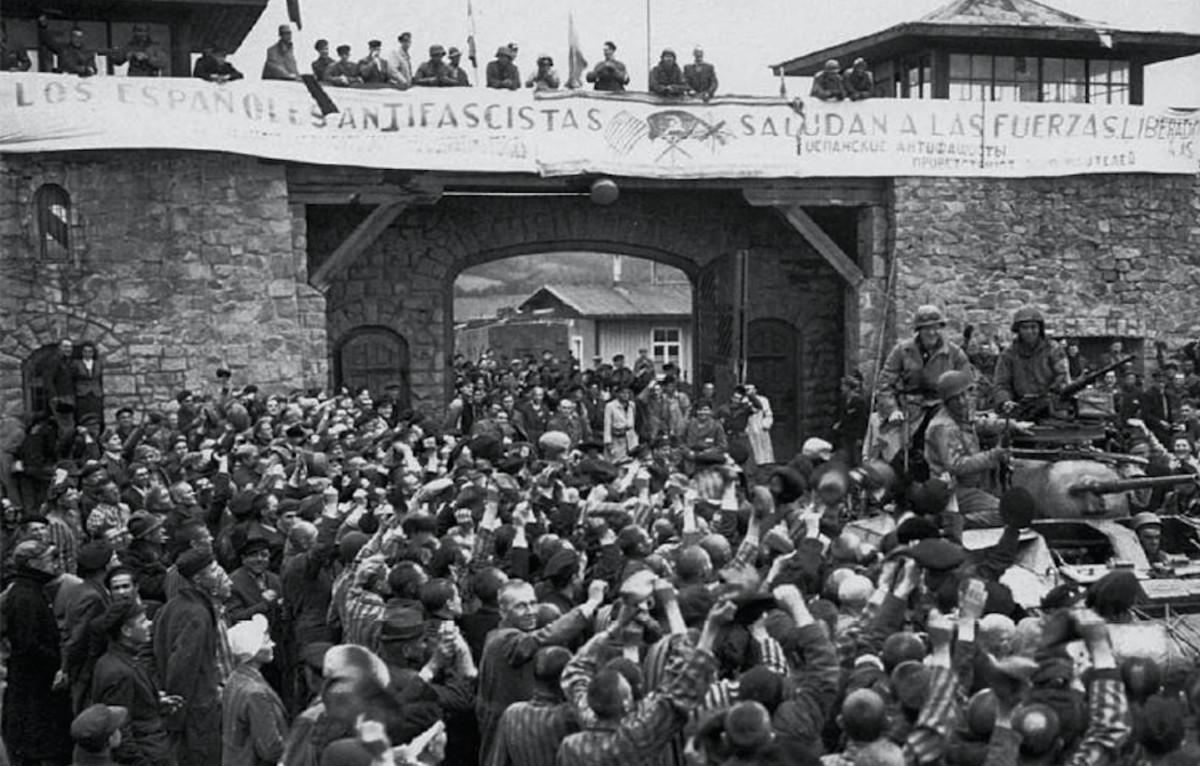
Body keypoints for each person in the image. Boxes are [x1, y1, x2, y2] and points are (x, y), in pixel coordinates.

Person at [476, 579, 605, 763]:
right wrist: (591, 603)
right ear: (503, 611)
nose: (530, 611)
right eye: (521, 606)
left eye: (533, 603)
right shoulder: (505, 640)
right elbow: (543, 637)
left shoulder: (498, 636)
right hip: (506, 734)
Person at [153, 550, 230, 766]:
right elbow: (182, 667)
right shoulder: (197, 614)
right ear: (198, 579)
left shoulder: (170, 607)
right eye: (213, 571)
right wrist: (175, 715)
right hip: (196, 710)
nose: (219, 574)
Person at [2, 540, 73, 766]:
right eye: (50, 559)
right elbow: (28, 643)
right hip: (35, 681)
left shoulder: (30, 590)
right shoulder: (26, 596)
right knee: (35, 741)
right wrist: (56, 661)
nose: (56, 564)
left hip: (34, 678)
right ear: (33, 563)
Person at [874, 305, 970, 460]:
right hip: (909, 408)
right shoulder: (902, 351)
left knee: (946, 442)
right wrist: (892, 409)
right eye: (927, 329)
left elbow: (968, 386)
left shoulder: (955, 354)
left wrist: (962, 411)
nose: (932, 332)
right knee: (892, 449)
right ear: (918, 330)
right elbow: (885, 382)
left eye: (936, 327)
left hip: (942, 406)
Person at [91, 600, 175, 765]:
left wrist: (157, 703)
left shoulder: (127, 659)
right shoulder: (118, 672)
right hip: (148, 754)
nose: (149, 624)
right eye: (142, 621)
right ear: (126, 631)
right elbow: (121, 731)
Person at [924, 370, 1011, 530]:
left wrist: (1009, 425)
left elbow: (976, 423)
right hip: (951, 489)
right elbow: (956, 465)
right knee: (1005, 513)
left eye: (965, 395)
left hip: (970, 485)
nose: (963, 401)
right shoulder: (944, 426)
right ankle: (953, 522)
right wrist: (993, 456)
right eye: (955, 399)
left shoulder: (959, 415)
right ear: (946, 402)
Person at [223, 615, 288, 766]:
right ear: (253, 650)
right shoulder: (255, 692)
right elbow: (269, 748)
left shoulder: (234, 679)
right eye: (265, 641)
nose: (272, 644)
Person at [994, 306, 1069, 416]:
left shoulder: (1053, 349)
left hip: (1052, 406)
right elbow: (1001, 384)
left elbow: (1062, 376)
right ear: (1018, 330)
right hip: (1021, 406)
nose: (1029, 331)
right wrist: (1005, 401)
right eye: (1024, 328)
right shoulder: (1008, 354)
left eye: (1033, 327)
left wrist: (1051, 394)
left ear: (1040, 329)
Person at [73, 341, 104, 431]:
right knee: (83, 415)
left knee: (96, 414)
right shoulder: (76, 363)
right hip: (82, 393)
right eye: (85, 351)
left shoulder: (98, 364)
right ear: (82, 352)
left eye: (90, 351)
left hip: (95, 393)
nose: (88, 354)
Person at [603, 386, 638, 461]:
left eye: (627, 393)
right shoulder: (610, 406)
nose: (625, 395)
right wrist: (608, 441)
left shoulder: (632, 405)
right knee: (616, 460)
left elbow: (633, 421)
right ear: (617, 394)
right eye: (623, 393)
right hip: (616, 436)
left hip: (629, 437)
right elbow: (607, 423)